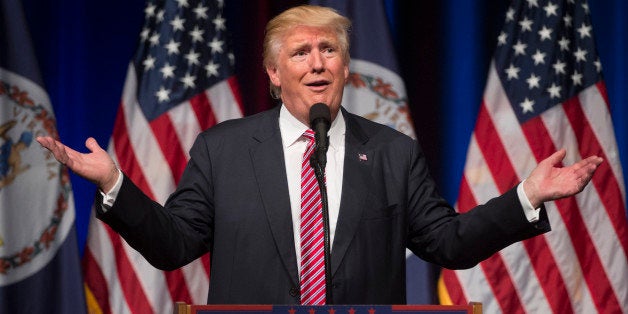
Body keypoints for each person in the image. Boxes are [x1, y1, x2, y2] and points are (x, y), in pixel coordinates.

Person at [36, 5, 602, 305]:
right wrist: (114, 184)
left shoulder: (391, 152)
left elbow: (448, 244)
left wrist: (526, 196)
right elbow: (174, 246)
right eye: (301, 51)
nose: (317, 63)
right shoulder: (223, 149)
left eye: (329, 50)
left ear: (346, 68)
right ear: (274, 73)